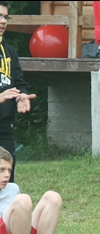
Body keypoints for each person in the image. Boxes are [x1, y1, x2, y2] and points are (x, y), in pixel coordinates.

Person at [0, 146, 64, 234]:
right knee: (22, 200)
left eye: (9, 170)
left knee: (53, 198)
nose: (7, 175)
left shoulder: (12, 189)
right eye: (1, 170)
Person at [0, 1, 37, 183]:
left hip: (4, 126)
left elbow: (19, 83)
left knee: (6, 180)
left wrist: (21, 96)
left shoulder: (9, 52)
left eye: (5, 17)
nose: (3, 21)